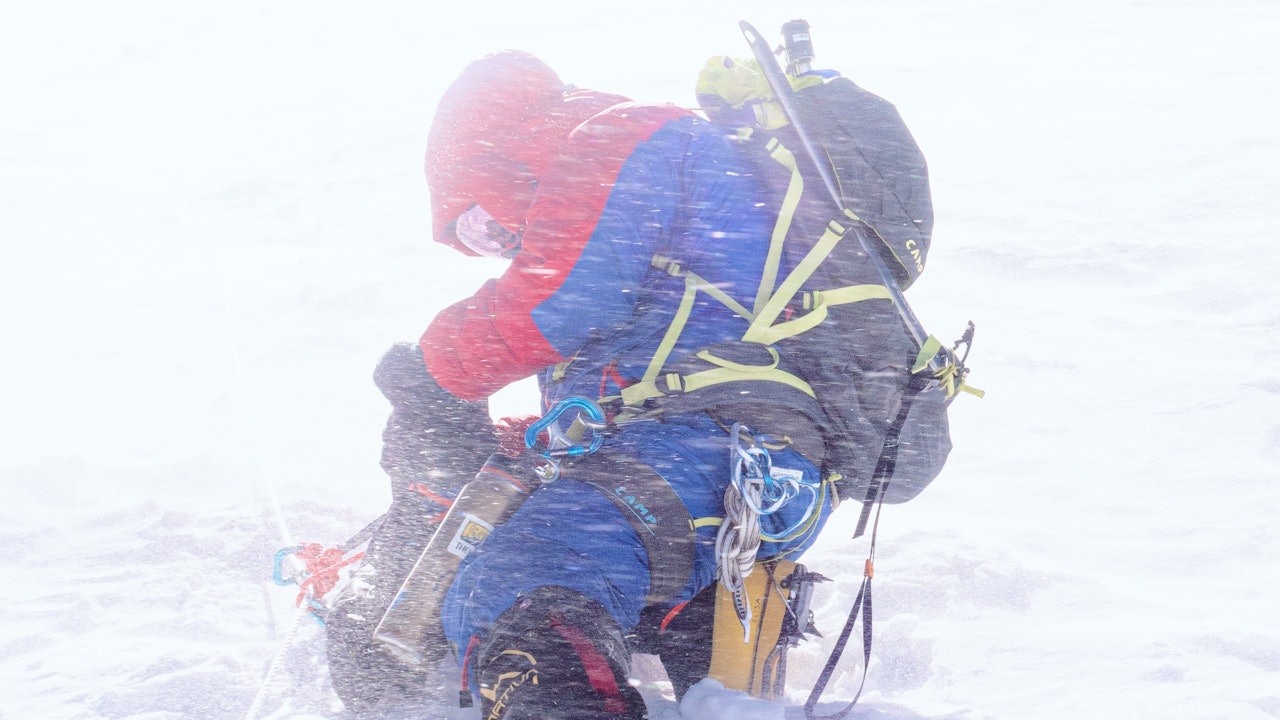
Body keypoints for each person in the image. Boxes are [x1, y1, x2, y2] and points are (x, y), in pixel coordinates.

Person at [334, 45, 955, 719]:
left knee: (526, 571)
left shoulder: (620, 138)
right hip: (751, 468)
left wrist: (433, 369)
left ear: (502, 156)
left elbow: (559, 301)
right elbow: (654, 350)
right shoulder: (686, 175)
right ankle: (702, 644)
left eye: (479, 223)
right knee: (577, 571)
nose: (502, 241)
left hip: (710, 448)